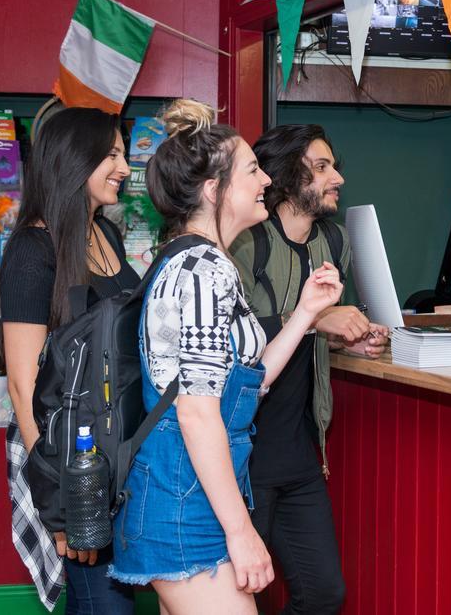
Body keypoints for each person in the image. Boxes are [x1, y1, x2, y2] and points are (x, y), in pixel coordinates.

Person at [107, 100, 343, 615]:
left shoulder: (207, 262)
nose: (265, 180)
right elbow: (195, 411)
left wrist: (305, 312)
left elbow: (244, 385)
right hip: (183, 499)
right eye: (252, 170)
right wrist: (242, 534)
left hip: (196, 492)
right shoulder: (200, 271)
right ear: (215, 190)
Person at [229, 124, 389, 614]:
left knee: (323, 594)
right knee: (235, 594)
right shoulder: (245, 244)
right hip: (244, 455)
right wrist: (320, 320)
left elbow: (314, 341)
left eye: (332, 165)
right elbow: (234, 341)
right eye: (321, 167)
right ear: (284, 177)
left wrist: (353, 343)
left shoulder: (335, 243)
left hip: (301, 450)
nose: (336, 177)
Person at [0, 106, 138, 613]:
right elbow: (21, 385)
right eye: (112, 154)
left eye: (123, 153)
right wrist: (59, 495)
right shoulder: (33, 250)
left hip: (115, 455)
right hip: (67, 460)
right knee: (104, 601)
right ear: (74, 161)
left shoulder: (109, 235)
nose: (124, 167)